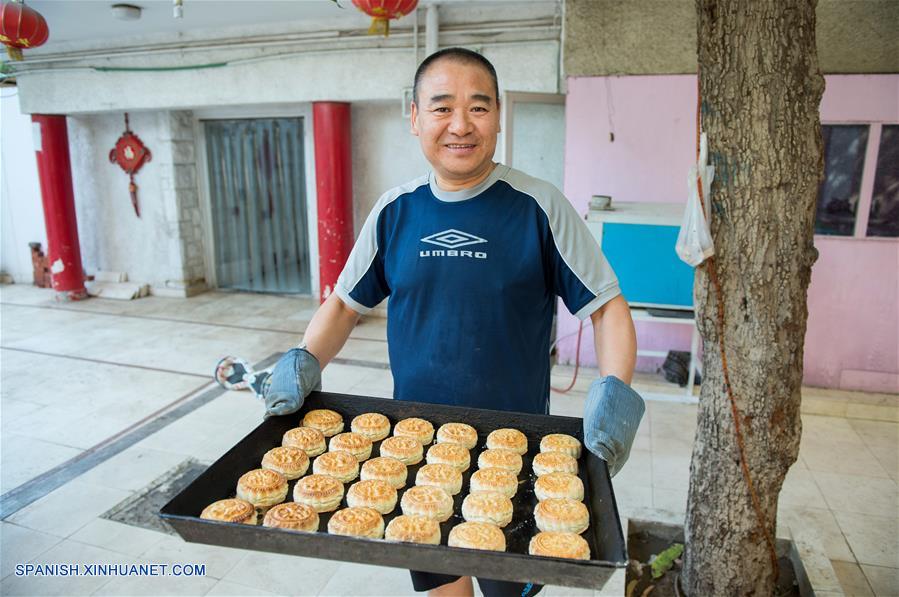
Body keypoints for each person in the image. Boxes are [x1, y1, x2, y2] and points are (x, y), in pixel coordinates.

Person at [261, 48, 644, 597]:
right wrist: (303, 359)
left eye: (478, 108)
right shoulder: (395, 210)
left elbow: (606, 307)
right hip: (415, 451)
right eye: (442, 108)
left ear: (498, 116)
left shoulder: (538, 206)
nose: (461, 125)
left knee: (507, 588)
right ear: (415, 118)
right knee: (442, 584)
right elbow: (345, 305)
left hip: (518, 452)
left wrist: (615, 393)